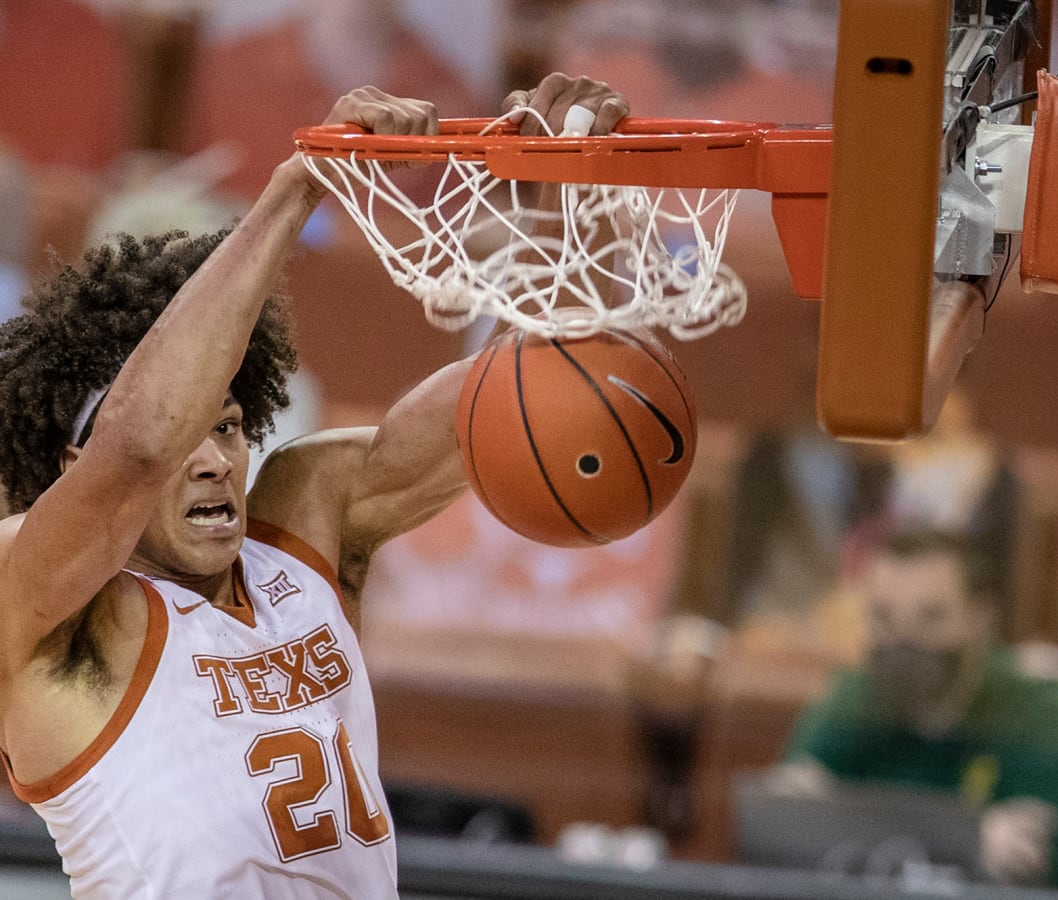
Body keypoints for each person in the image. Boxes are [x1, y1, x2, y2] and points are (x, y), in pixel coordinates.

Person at [0, 73, 630, 897]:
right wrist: (300, 187)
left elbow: (538, 397)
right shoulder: (39, 599)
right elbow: (140, 445)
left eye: (227, 425)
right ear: (72, 470)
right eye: (191, 433)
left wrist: (569, 192)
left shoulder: (306, 521)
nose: (212, 460)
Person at [772, 528, 1058, 889]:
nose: (905, 641)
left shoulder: (1044, 716)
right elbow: (791, 812)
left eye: (931, 617)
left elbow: (1033, 859)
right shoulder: (852, 701)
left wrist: (847, 819)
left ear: (980, 617)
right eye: (884, 618)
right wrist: (968, 838)